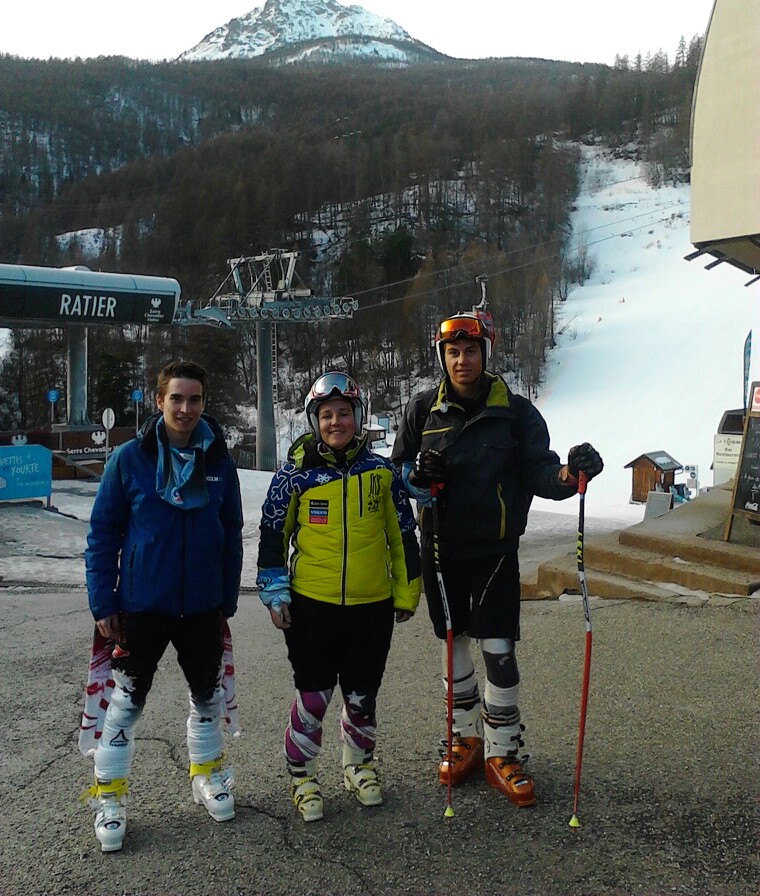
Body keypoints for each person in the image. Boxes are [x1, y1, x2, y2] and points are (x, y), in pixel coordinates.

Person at [391, 310, 603, 807]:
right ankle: (465, 738)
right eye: (452, 352)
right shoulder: (422, 410)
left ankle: (503, 750)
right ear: (442, 357)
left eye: (470, 351)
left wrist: (570, 474)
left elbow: (540, 472)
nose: (461, 360)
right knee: (454, 645)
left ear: (485, 354)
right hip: (441, 547)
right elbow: (399, 473)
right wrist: (418, 476)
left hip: (495, 550)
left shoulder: (516, 412)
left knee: (499, 649)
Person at [82, 360, 244, 851]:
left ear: (203, 403)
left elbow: (232, 531)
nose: (186, 408)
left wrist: (226, 597)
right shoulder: (129, 458)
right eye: (176, 398)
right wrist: (103, 602)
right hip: (141, 605)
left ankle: (207, 776)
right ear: (159, 401)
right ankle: (109, 798)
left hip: (202, 605)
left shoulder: (219, 460)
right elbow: (102, 534)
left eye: (195, 399)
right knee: (125, 703)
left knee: (207, 697)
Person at [256, 371, 421, 822]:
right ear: (315, 421)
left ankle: (358, 766)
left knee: (362, 696)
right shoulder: (294, 474)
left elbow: (403, 534)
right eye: (326, 415)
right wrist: (274, 590)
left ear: (358, 417)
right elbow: (273, 534)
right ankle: (302, 775)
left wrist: (407, 592)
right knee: (314, 698)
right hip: (312, 604)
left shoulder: (382, 473)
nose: (335, 422)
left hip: (372, 606)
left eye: (344, 413)